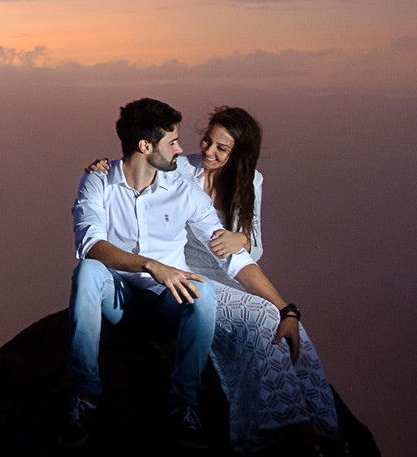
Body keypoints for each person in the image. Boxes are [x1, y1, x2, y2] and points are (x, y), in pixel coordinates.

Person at [90, 107, 340, 452]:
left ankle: (322, 425)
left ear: (238, 154)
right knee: (266, 319)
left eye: (221, 148)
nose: (208, 151)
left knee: (286, 325)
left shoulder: (251, 182)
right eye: (207, 139)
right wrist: (103, 168)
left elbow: (252, 250)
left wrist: (245, 241)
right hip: (190, 278)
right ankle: (298, 437)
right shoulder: (178, 168)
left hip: (236, 278)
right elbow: (139, 165)